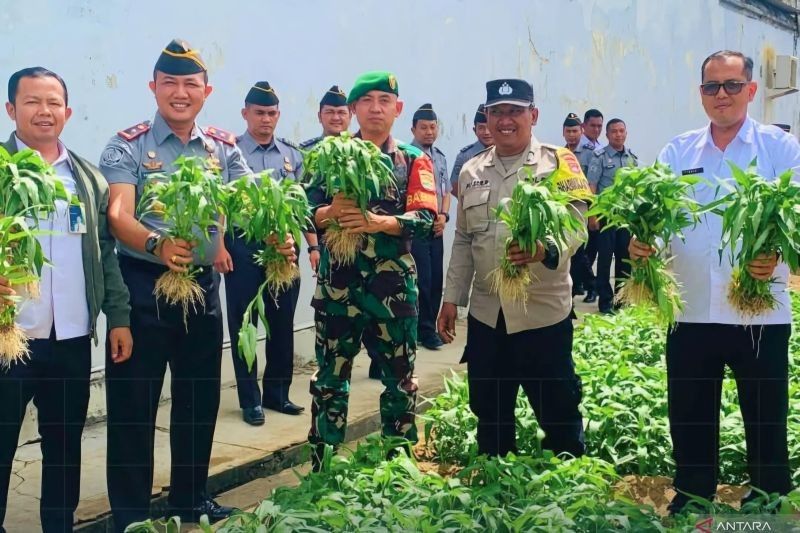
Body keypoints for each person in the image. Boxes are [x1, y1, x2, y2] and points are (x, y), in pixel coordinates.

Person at [629, 50, 800, 514]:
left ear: (751, 90)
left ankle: (769, 495)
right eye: (711, 87)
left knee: (765, 411)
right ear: (700, 93)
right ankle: (692, 493)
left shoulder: (780, 149)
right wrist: (641, 244)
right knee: (689, 409)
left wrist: (779, 253)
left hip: (759, 309)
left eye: (730, 85)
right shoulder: (678, 151)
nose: (720, 95)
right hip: (690, 307)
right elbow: (655, 214)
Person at [100, 39, 259, 529]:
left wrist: (278, 239)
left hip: (202, 290)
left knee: (198, 398)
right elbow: (117, 215)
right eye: (170, 83)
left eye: (191, 84)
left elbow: (249, 201)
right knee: (133, 404)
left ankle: (190, 500)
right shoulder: (127, 144)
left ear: (206, 91)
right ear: (154, 87)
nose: (180, 92)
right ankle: (130, 513)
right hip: (144, 287)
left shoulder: (224, 147)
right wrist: (156, 246)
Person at [0, 67, 132, 533]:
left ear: (68, 112)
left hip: (71, 338)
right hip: (9, 339)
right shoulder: (1, 169)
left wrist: (118, 316)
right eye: (32, 102)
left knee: (63, 448)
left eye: (54, 103)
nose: (44, 111)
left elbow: (106, 252)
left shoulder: (88, 179)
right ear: (11, 110)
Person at [438, 78, 591, 458]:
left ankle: (568, 485)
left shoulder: (558, 163)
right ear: (487, 117)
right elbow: (462, 240)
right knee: (489, 412)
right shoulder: (471, 170)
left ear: (533, 115)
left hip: (542, 313)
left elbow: (577, 222)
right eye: (497, 112)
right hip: (488, 316)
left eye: (515, 111)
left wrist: (545, 249)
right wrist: (451, 299)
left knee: (557, 409)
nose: (505, 120)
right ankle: (495, 486)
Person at [305, 71, 438, 469]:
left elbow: (428, 217)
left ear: (397, 109)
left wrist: (381, 223)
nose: (376, 108)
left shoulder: (413, 160)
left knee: (400, 381)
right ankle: (322, 467)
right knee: (329, 383)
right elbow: (305, 209)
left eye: (385, 100)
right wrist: (331, 213)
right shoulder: (329, 156)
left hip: (392, 290)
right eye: (367, 101)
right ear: (353, 110)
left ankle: (397, 467)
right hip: (338, 291)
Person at [219, 81, 312, 426]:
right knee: (245, 324)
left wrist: (310, 245)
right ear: (246, 114)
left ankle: (277, 393)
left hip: (284, 249)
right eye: (259, 113)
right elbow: (222, 204)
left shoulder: (292, 155)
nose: (266, 119)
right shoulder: (229, 152)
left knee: (282, 323)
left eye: (272, 113)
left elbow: (304, 206)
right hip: (243, 248)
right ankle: (250, 400)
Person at [587, 118, 638, 314]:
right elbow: (592, 187)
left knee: (625, 258)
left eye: (621, 131)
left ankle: (621, 299)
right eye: (614, 131)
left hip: (625, 217)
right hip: (606, 217)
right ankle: (605, 302)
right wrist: (593, 215)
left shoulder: (631, 158)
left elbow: (635, 187)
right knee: (605, 258)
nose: (618, 134)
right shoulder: (599, 157)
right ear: (607, 135)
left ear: (626, 133)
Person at [410, 104, 449, 350]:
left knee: (436, 279)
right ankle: (424, 331)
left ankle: (430, 325)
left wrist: (444, 216)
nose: (429, 132)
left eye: (433, 127)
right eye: (423, 127)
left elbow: (445, 191)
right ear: (413, 128)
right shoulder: (406, 155)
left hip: (436, 227)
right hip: (416, 227)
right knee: (421, 280)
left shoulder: (441, 157)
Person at [574, 108, 604, 304]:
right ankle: (590, 284)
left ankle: (583, 284)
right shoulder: (579, 149)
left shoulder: (600, 148)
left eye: (600, 126)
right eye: (592, 125)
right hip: (580, 206)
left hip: (595, 206)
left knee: (591, 249)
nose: (596, 129)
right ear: (584, 126)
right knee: (578, 250)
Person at [564, 112, 595, 300]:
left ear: (581, 131)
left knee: (579, 251)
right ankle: (580, 287)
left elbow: (592, 183)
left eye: (575, 131)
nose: (572, 134)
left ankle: (591, 285)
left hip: (584, 208)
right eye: (568, 131)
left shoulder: (590, 153)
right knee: (574, 251)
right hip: (567, 209)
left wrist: (592, 214)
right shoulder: (560, 153)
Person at [449, 104, 494, 197]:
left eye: (489, 127)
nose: (486, 132)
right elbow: (454, 186)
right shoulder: (465, 156)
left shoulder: (506, 152)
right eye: (481, 128)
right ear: (475, 130)